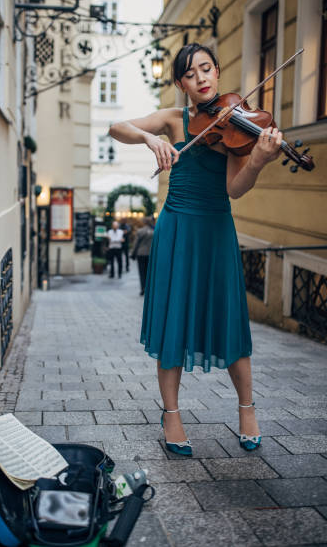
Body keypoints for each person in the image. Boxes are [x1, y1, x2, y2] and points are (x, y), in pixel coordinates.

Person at [109, 42, 282, 456]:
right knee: (174, 318)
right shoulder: (175, 120)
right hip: (177, 228)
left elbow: (234, 189)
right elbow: (116, 127)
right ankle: (171, 415)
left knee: (230, 317)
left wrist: (256, 160)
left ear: (218, 73)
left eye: (207, 69)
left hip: (216, 227)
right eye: (191, 73)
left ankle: (247, 409)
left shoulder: (236, 127)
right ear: (181, 84)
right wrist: (151, 140)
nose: (201, 78)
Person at [131, 217, 154, 295]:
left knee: (142, 271)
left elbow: (136, 243)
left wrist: (133, 254)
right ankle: (148, 288)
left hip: (141, 253)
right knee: (149, 271)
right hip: (150, 254)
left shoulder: (140, 231)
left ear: (144, 223)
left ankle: (143, 288)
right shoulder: (154, 231)